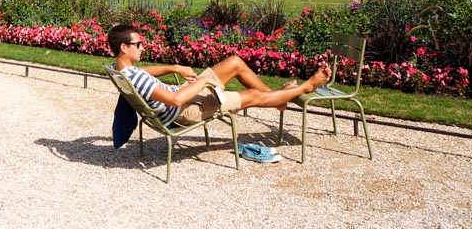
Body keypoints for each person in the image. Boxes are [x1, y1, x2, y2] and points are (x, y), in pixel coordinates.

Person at [108, 24, 330, 161]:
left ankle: (279, 101)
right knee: (251, 96)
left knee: (234, 62)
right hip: (187, 109)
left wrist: (173, 68)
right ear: (124, 47)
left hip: (185, 97)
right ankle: (306, 86)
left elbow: (144, 73)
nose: (143, 47)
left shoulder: (122, 71)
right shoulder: (135, 77)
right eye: (139, 44)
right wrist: (204, 81)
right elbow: (175, 100)